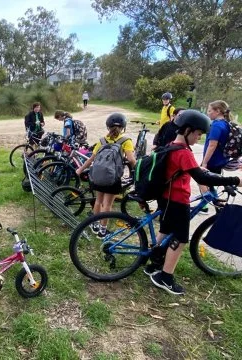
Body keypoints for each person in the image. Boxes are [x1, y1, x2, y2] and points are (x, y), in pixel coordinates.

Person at [144, 110, 242, 295]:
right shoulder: (184, 153)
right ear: (188, 130)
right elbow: (200, 175)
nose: (199, 138)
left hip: (166, 198)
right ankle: (165, 276)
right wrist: (234, 180)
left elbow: (198, 173)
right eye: (197, 134)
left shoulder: (172, 145)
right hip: (177, 200)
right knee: (180, 239)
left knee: (165, 230)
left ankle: (153, 265)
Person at [75, 113, 136, 238]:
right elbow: (131, 160)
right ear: (123, 127)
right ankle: (102, 231)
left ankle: (95, 224)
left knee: (98, 201)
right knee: (107, 205)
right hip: (113, 179)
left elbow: (91, 159)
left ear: (108, 126)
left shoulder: (102, 141)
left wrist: (80, 170)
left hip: (98, 177)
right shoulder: (126, 141)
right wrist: (139, 168)